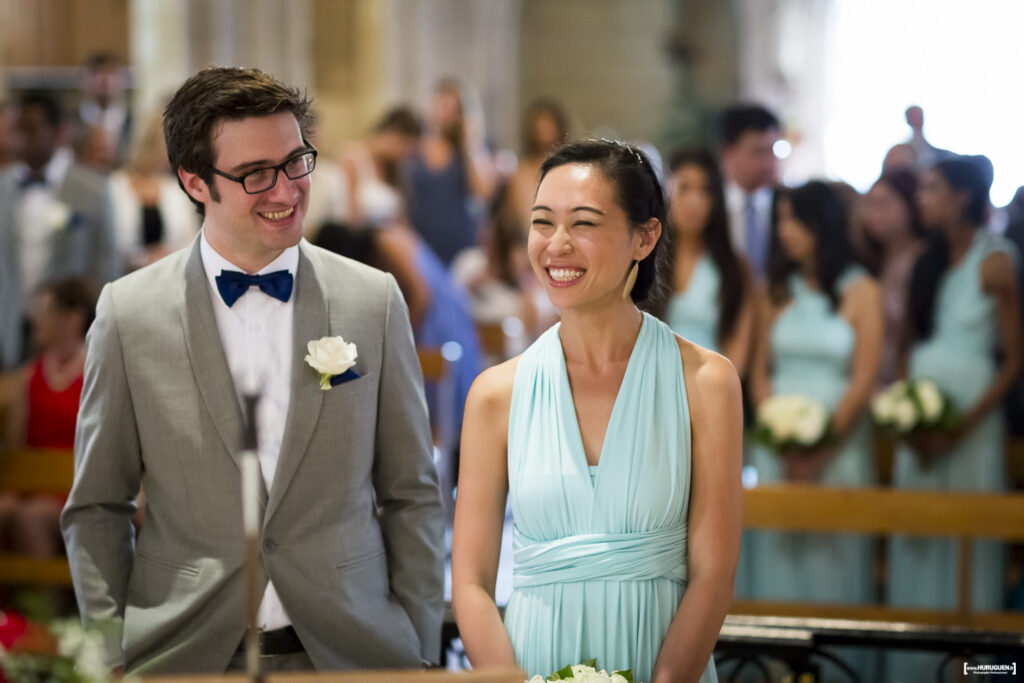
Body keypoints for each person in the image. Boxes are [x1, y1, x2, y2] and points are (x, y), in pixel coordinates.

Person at [60, 67, 444, 675]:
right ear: (194, 182)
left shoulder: (374, 301)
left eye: (297, 162)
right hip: (184, 655)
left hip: (351, 653)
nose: (287, 191)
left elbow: (412, 494)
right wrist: (108, 654)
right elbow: (96, 508)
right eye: (255, 174)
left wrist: (420, 643)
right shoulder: (128, 314)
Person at [452, 140, 741, 683]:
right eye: (543, 223)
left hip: (663, 659)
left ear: (644, 236)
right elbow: (469, 581)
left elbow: (714, 572)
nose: (557, 245)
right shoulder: (496, 394)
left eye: (583, 224)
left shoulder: (706, 382)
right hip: (532, 660)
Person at [887, 157, 1022, 681]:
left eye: (931, 188)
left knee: (965, 541)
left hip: (970, 422)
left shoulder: (997, 260)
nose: (921, 198)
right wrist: (907, 412)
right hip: (920, 418)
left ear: (962, 196)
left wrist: (960, 426)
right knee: (919, 539)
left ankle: (973, 671)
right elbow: (904, 345)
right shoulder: (927, 257)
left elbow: (1014, 359)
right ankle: (911, 666)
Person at [747, 182, 882, 606]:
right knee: (778, 559)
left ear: (821, 224)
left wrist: (818, 449)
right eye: (781, 220)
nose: (784, 230)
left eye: (795, 220)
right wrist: (780, 437)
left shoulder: (862, 291)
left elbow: (863, 380)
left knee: (831, 566)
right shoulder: (773, 290)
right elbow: (759, 372)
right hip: (776, 446)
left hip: (838, 445)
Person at [0, 91, 119, 371]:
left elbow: (106, 264)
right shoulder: (3, 189)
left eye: (31, 129)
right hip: (10, 327)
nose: (20, 138)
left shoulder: (92, 189)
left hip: (70, 333)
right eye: (16, 129)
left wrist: (94, 329)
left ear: (58, 131)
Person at [0, 277, 95, 560]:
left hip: (76, 488)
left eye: (45, 311)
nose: (36, 319)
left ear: (73, 318)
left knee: (32, 518)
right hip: (33, 486)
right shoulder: (29, 376)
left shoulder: (96, 371)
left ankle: (46, 604)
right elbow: (17, 446)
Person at [662, 148, 755, 375]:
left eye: (705, 190)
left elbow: (737, 353)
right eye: (684, 188)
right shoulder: (646, 260)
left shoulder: (733, 266)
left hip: (712, 387)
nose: (694, 201)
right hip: (651, 385)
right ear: (666, 190)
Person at [405, 78, 495, 266]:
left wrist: (469, 142)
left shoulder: (470, 150)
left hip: (461, 247)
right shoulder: (415, 146)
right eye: (442, 105)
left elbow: (483, 192)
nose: (445, 114)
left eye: (454, 109)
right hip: (421, 244)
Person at [109, 112, 199, 271]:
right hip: (121, 277)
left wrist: (167, 255)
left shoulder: (177, 191)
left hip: (169, 278)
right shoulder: (114, 186)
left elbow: (190, 244)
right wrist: (143, 257)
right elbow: (106, 243)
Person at [860, 170, 926, 386]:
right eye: (871, 205)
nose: (874, 214)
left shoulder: (923, 261)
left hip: (910, 372)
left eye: (884, 205)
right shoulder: (868, 261)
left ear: (910, 205)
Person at [717, 104, 781, 282]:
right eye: (759, 152)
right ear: (728, 153)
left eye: (773, 150)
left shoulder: (787, 206)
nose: (770, 162)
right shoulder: (714, 206)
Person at [502, 98, 571, 231]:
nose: (544, 129)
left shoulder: (570, 171)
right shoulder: (520, 174)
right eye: (540, 124)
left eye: (549, 123)